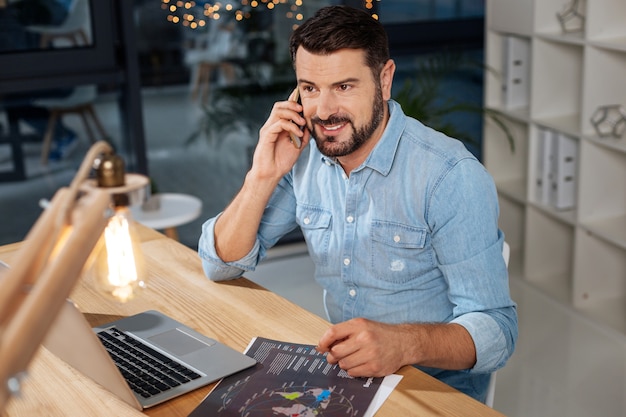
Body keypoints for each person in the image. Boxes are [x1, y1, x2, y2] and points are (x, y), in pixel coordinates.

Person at [198, 5, 517, 403]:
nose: (325, 110)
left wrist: (404, 344)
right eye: (310, 88)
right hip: (347, 378)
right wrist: (261, 176)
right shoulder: (305, 156)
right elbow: (220, 264)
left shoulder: (450, 176)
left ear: (384, 80)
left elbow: (498, 331)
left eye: (344, 87)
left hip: (432, 388)